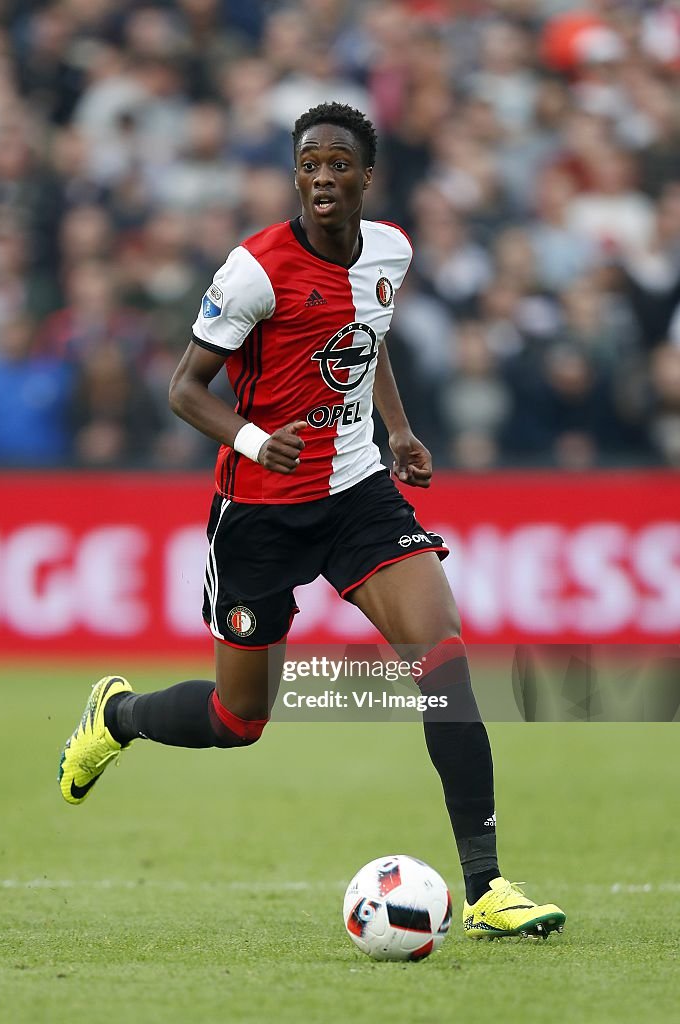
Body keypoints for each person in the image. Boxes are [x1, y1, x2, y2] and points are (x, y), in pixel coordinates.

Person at [57, 103, 565, 940]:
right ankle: (116, 717)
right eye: (309, 163)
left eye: (338, 163)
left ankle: (487, 887)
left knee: (444, 665)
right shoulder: (254, 270)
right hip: (258, 513)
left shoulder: (392, 250)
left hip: (358, 495)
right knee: (237, 721)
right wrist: (257, 440)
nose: (323, 176)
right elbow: (184, 388)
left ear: (367, 176)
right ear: (296, 174)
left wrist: (396, 430)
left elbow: (369, 339)